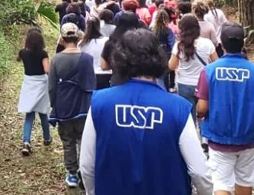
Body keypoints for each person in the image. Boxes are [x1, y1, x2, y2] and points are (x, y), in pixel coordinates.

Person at [79, 29, 213, 195]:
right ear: (159, 58)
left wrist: (92, 191)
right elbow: (199, 171)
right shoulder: (178, 109)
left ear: (119, 60)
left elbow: (87, 165)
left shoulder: (100, 103)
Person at [196, 25, 254, 195]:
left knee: (221, 183)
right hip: (248, 137)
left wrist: (202, 115)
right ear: (242, 43)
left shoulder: (209, 71)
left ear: (221, 44)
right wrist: (253, 116)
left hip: (218, 137)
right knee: (244, 181)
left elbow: (201, 108)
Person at [49, 22, 96, 188]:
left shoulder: (56, 60)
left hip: (64, 106)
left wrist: (54, 105)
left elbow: (52, 87)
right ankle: (84, 171)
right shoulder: (87, 59)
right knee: (84, 140)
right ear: (78, 38)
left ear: (62, 39)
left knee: (68, 141)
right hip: (83, 106)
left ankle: (72, 174)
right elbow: (91, 84)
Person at [169, 15, 217, 114]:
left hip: (184, 83)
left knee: (188, 116)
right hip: (203, 83)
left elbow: (171, 66)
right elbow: (216, 63)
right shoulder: (207, 43)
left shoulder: (179, 45)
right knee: (204, 113)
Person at [17, 28, 52, 156]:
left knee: (29, 114)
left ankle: (26, 142)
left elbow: (18, 58)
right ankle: (47, 138)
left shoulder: (23, 53)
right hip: (41, 84)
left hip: (28, 84)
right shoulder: (43, 54)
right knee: (43, 113)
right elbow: (47, 70)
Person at [100, 11, 143, 86]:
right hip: (138, 81)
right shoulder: (140, 42)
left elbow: (104, 66)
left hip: (117, 81)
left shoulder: (110, 42)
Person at [80, 17, 112, 89]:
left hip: (88, 74)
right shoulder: (106, 41)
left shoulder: (82, 44)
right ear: (99, 26)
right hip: (105, 74)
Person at [152, 8, 176, 90]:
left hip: (155, 53)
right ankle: (169, 87)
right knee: (167, 72)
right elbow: (172, 43)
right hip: (166, 53)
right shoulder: (168, 30)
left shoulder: (152, 29)